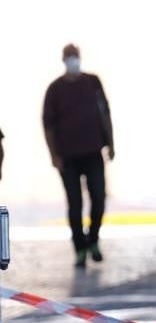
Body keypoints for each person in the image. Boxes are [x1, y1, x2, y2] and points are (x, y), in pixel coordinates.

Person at [42, 44, 114, 268]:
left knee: (99, 198)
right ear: (63, 60)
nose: (73, 60)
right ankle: (80, 248)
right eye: (69, 57)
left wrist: (111, 143)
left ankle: (93, 240)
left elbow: (105, 111)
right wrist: (54, 155)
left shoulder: (92, 82)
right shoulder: (54, 89)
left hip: (93, 152)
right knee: (75, 203)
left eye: (75, 56)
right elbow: (48, 124)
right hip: (68, 157)